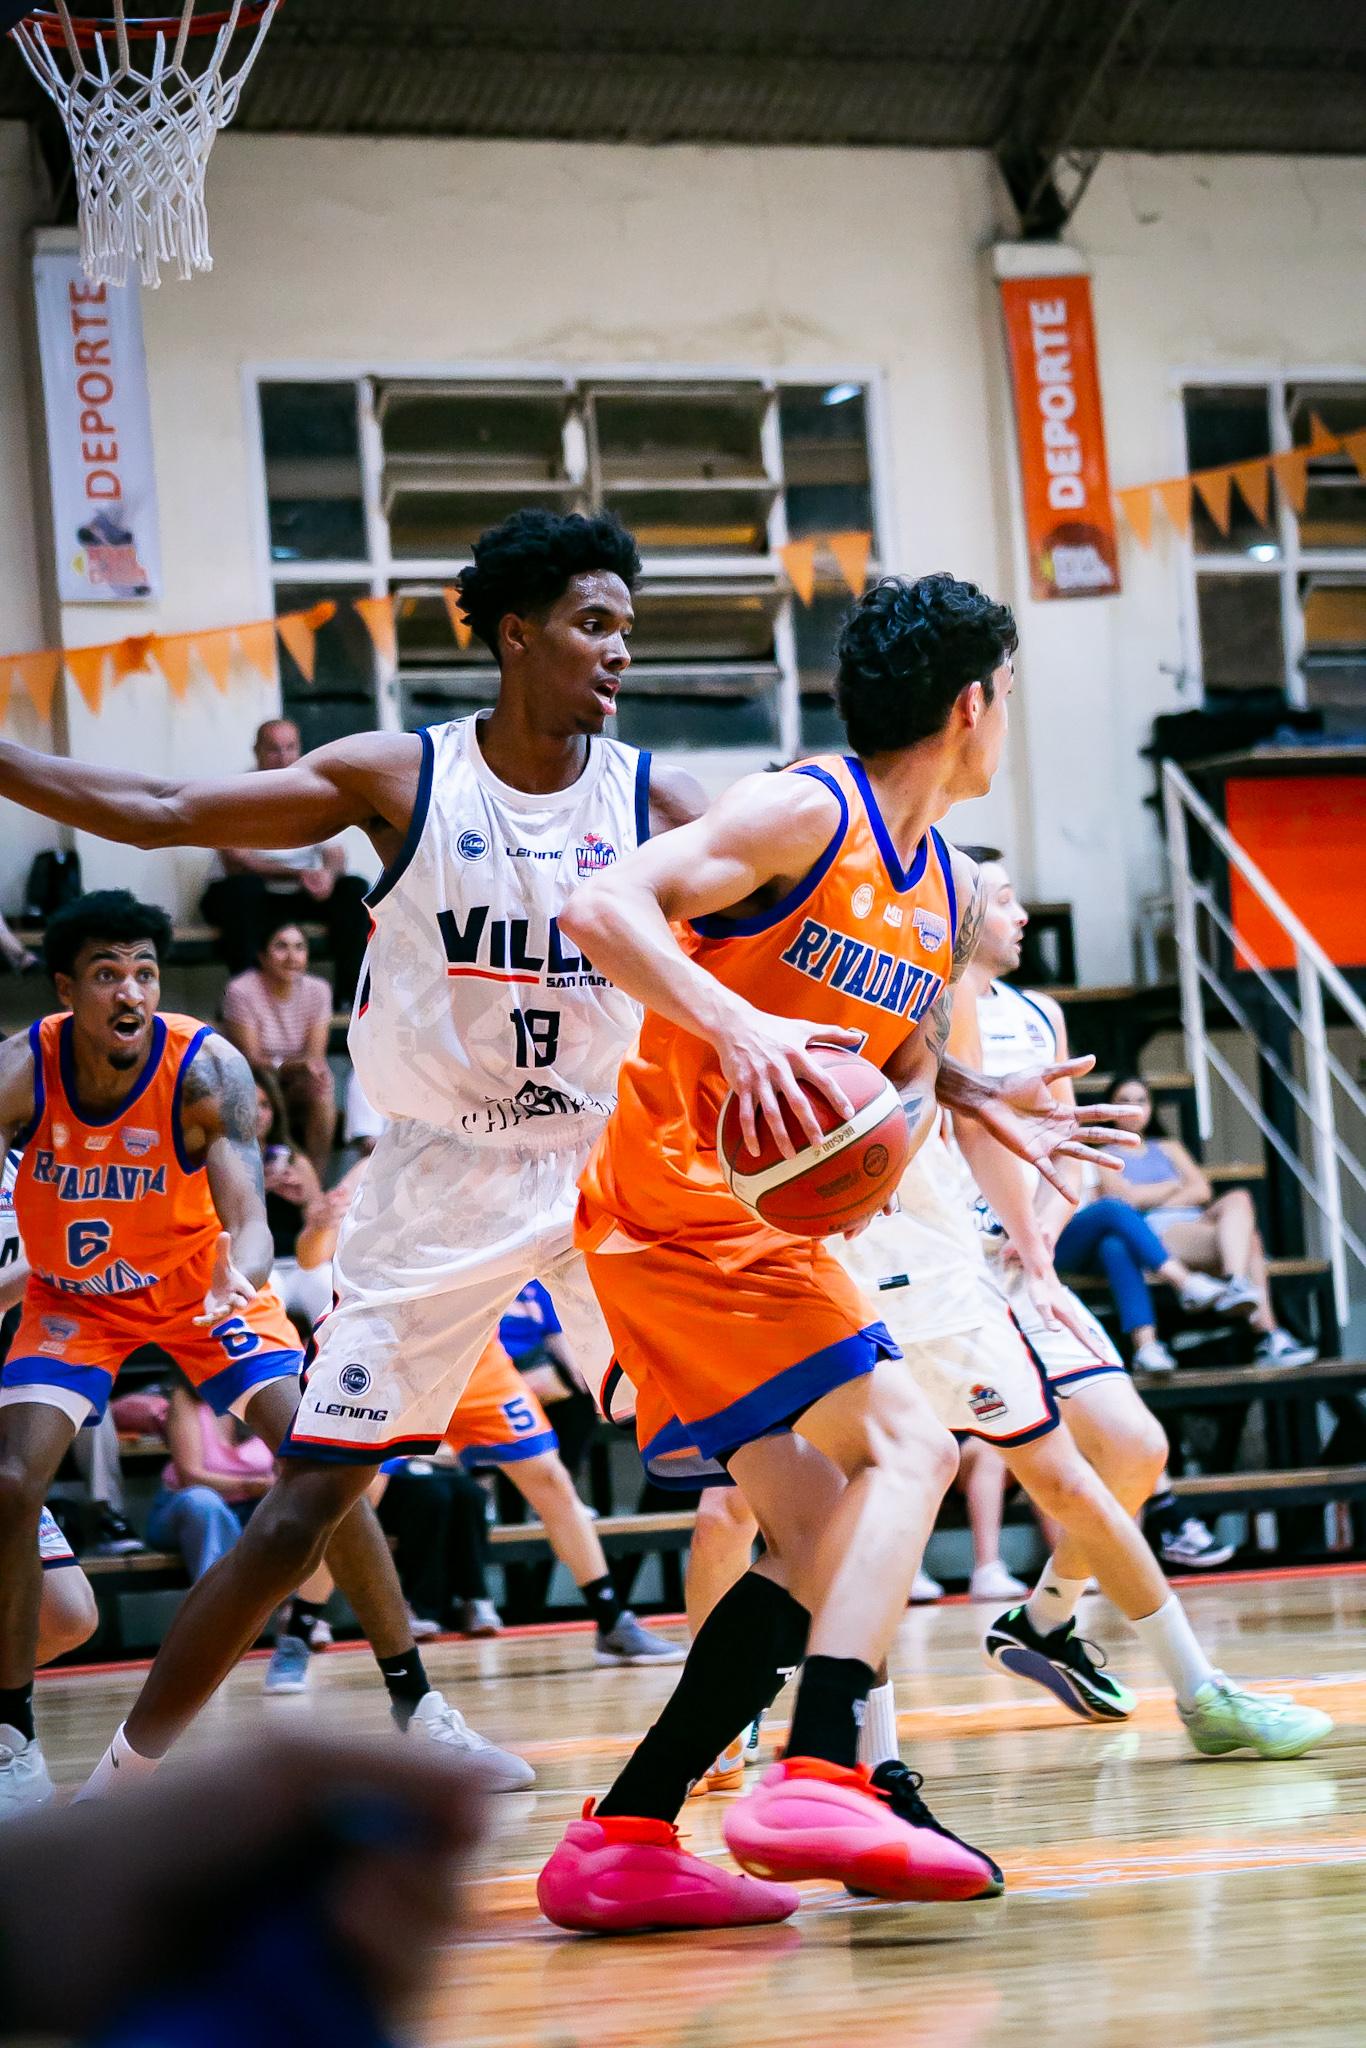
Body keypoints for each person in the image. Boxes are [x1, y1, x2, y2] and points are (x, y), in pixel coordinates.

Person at [0, 508, 704, 1791]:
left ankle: (788, 1751)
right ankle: (117, 1790)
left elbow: (797, 913)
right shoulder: (407, 778)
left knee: (795, 1442)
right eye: (593, 624)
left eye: (627, 628)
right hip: (439, 1184)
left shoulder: (656, 797)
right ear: (515, 634)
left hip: (607, 1172)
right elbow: (162, 807)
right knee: (299, 1514)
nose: (619, 650)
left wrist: (929, 1064)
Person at [537, 571, 1144, 1933]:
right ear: (972, 704)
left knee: (816, 1538)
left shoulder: (948, 891)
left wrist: (984, 1098)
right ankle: (821, 1776)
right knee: (909, 1446)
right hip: (673, 1208)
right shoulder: (806, 811)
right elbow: (601, 908)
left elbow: (899, 1061)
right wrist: (735, 1026)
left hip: (755, 1230)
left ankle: (622, 1834)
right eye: (1008, 695)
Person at [0, 891, 525, 1817]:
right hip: (74, 1298)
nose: (131, 992)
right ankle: (13, 1742)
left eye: (145, 972)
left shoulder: (205, 1066)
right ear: (66, 990)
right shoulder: (21, 1070)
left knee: (324, 1458)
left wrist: (241, 1272)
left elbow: (247, 1213)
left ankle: (420, 1704)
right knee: (10, 1481)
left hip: (201, 1291)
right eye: (107, 974)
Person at [945, 856, 1330, 1741]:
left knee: (1136, 1448)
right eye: (1003, 899)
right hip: (940, 1272)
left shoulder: (1040, 1015)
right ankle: (797, 1719)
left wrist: (1040, 1234)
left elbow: (1068, 1144)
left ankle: (1045, 1620)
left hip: (1023, 1264)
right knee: (875, 1484)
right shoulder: (917, 1010)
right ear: (958, 914)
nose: (1022, 914)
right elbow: (953, 1135)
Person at [1108, 1075, 1316, 1369]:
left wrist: (1155, 1195)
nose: (1133, 1108)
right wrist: (1173, 1185)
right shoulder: (1104, 1154)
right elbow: (1127, 1200)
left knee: (1240, 1198)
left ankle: (1236, 1282)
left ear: (1151, 1107)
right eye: (1124, 1101)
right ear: (1110, 1107)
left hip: (1194, 1222)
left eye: (1141, 1101)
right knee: (1251, 1241)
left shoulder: (1167, 1146)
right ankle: (1268, 1336)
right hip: (1155, 1233)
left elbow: (1202, 1189)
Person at [200, 717, 371, 1002]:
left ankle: (351, 997)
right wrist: (298, 874)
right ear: (256, 751)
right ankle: (250, 999)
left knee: (354, 888)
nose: (283, 757)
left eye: (290, 748)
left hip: (299, 894)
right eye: (273, 749)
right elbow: (236, 861)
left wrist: (327, 875)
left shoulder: (317, 792)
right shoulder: (233, 793)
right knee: (242, 889)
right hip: (248, 896)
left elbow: (336, 854)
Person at [222, 920, 337, 1173]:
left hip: (297, 1079)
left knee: (321, 1089)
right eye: (281, 947)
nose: (292, 956)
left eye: (299, 947)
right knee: (268, 1086)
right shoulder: (241, 990)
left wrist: (297, 1067)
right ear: (262, 956)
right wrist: (291, 1065)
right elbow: (251, 1058)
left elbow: (314, 1059)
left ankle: (314, 1181)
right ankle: (262, 1176)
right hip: (256, 1079)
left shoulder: (319, 990)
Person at [144, 1375, 275, 1581]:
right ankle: (219, 1596)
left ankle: (297, 1600)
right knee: (203, 1501)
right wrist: (247, 1485)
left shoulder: (264, 1393)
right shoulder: (185, 1397)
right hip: (187, 1511)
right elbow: (189, 1476)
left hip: (252, 1509)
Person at [252, 1062, 342, 1330]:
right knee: (261, 1306)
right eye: (250, 1105)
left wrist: (304, 1200)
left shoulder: (295, 1160)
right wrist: (259, 1191)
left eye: (265, 1105)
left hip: (302, 1265)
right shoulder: (224, 1162)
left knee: (328, 1288)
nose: (258, 1114)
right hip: (260, 1268)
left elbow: (321, 1224)